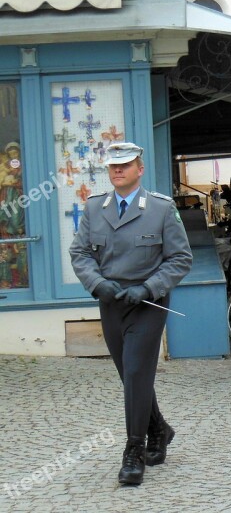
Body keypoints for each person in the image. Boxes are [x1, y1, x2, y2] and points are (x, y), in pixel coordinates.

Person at [69, 142, 192, 485]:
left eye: (125, 165)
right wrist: (97, 284)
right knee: (131, 376)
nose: (118, 170)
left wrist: (149, 287)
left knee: (137, 371)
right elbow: (80, 253)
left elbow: (180, 258)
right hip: (110, 302)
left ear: (140, 169)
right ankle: (160, 429)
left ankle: (133, 450)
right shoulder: (95, 208)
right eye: (113, 166)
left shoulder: (161, 209)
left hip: (147, 304)